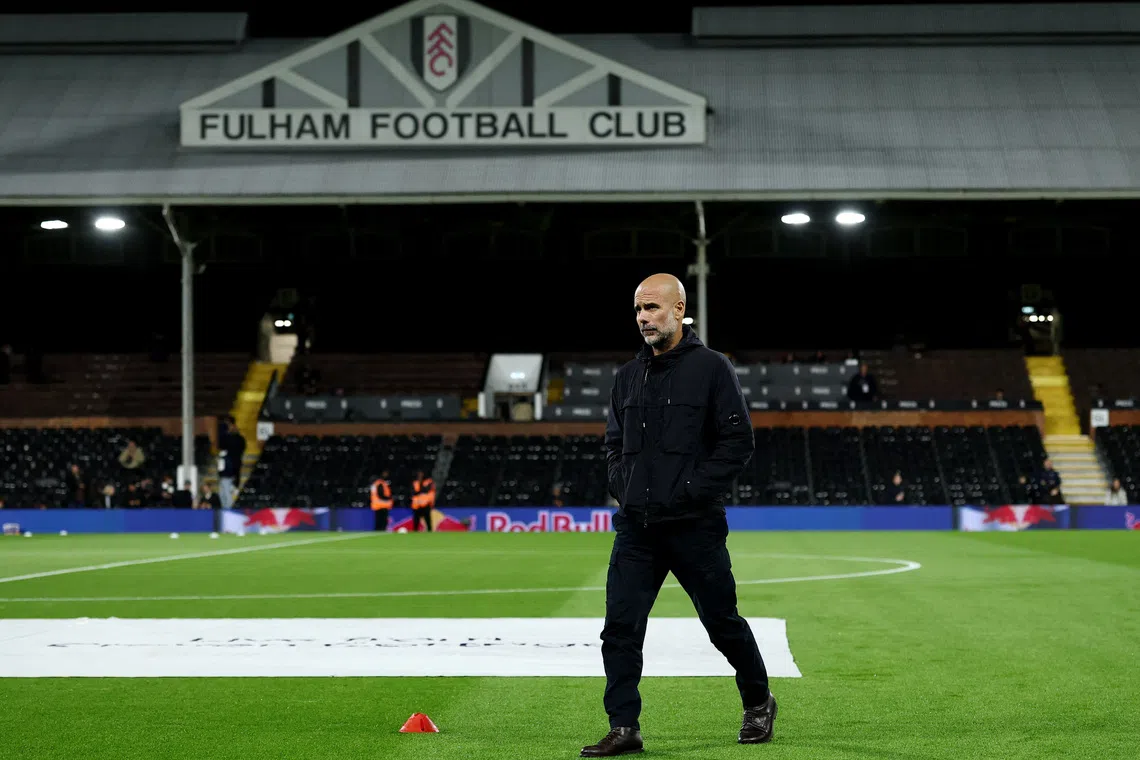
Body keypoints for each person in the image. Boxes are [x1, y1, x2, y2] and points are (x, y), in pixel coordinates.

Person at [580, 274, 776, 758]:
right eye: (637, 309)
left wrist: (689, 491)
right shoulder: (627, 376)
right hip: (637, 528)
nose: (643, 317)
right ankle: (624, 726)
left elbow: (738, 442)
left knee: (721, 623)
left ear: (679, 309)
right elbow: (613, 445)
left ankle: (758, 701)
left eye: (651, 307)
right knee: (620, 628)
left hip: (695, 525)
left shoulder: (713, 368)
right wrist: (623, 488)